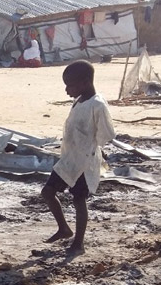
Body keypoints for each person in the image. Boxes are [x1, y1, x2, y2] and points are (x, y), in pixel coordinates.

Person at [41, 60, 115, 256]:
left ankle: (78, 243)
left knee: (78, 199)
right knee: (48, 192)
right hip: (69, 159)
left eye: (70, 85)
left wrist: (95, 150)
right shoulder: (79, 100)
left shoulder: (97, 104)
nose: (67, 90)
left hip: (85, 162)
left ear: (84, 83)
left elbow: (106, 133)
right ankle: (64, 228)